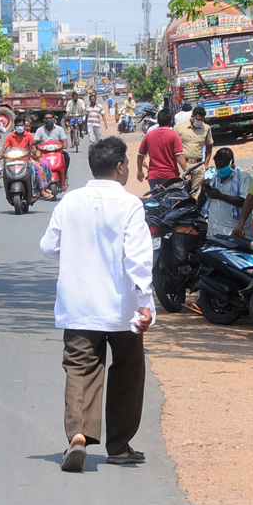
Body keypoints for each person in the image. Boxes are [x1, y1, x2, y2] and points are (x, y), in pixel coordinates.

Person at [39, 136, 153, 472]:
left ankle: (78, 435)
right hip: (122, 308)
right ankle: (119, 447)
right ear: (120, 167)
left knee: (80, 369)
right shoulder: (130, 205)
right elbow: (138, 258)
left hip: (78, 306)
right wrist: (144, 301)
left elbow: (48, 246)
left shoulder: (69, 202)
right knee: (128, 371)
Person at [201, 147, 253, 239]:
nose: (220, 169)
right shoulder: (214, 180)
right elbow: (200, 204)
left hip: (235, 233)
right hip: (215, 233)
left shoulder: (243, 178)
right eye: (218, 167)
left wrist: (220, 196)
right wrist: (203, 190)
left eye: (223, 166)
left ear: (232, 162)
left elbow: (245, 202)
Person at [2, 116, 52, 200]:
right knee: (4, 172)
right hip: (12, 161)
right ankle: (8, 191)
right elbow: (4, 148)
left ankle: (39, 189)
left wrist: (33, 151)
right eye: (18, 125)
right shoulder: (10, 136)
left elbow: (33, 146)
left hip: (26, 160)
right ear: (15, 126)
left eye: (21, 125)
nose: (20, 127)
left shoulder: (29, 136)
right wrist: (0, 154)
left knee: (36, 168)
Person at [136, 107, 185, 184]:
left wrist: (139, 171)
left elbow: (140, 155)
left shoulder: (149, 135)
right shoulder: (174, 135)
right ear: (171, 121)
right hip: (171, 176)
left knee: (156, 196)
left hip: (154, 176)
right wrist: (186, 171)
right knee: (174, 195)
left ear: (158, 121)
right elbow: (179, 156)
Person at [175, 106, 214, 196]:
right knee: (182, 192)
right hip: (183, 164)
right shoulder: (179, 128)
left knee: (196, 193)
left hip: (198, 165)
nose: (199, 122)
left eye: (202, 120)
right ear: (192, 116)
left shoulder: (206, 128)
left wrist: (206, 164)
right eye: (197, 119)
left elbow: (209, 146)